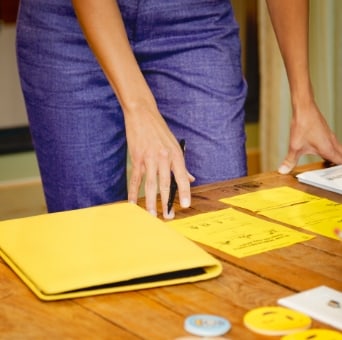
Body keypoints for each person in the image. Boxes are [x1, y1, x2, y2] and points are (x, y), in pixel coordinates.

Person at [16, 0, 342, 219]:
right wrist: (140, 108)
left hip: (195, 18)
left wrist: (304, 100)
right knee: (87, 225)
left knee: (222, 212)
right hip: (66, 20)